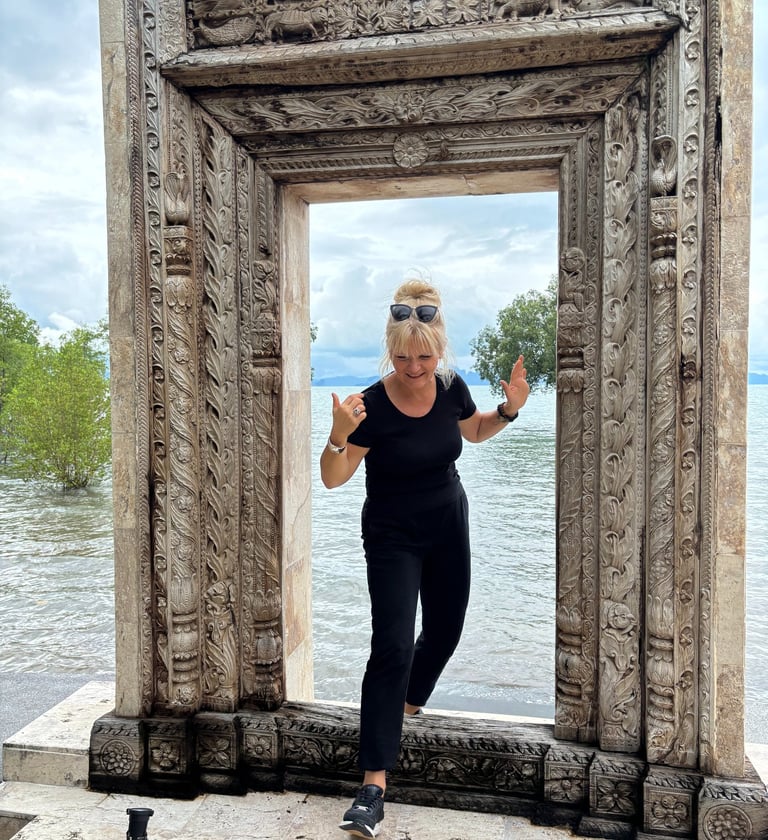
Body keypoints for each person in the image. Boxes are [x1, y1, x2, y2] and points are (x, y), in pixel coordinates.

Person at [320, 279, 530, 838]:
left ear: (440, 349)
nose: (414, 367)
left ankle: (404, 708)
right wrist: (339, 435)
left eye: (425, 355)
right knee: (390, 642)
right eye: (403, 356)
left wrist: (508, 410)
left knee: (445, 630)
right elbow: (334, 478)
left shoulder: (452, 386)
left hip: (446, 521)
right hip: (392, 533)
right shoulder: (370, 405)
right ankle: (372, 786)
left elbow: (474, 431)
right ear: (390, 350)